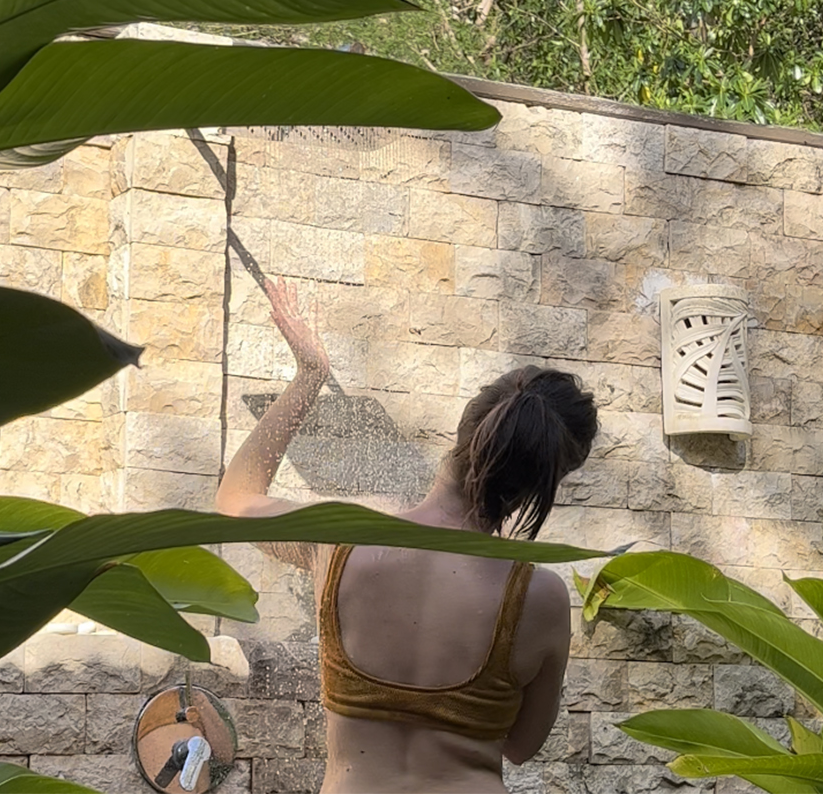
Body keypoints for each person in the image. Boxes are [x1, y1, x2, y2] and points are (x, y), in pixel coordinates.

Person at [216, 278, 598, 793]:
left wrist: (309, 377)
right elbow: (521, 745)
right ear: (543, 482)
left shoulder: (342, 534)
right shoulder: (538, 596)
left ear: (464, 429)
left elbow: (235, 500)